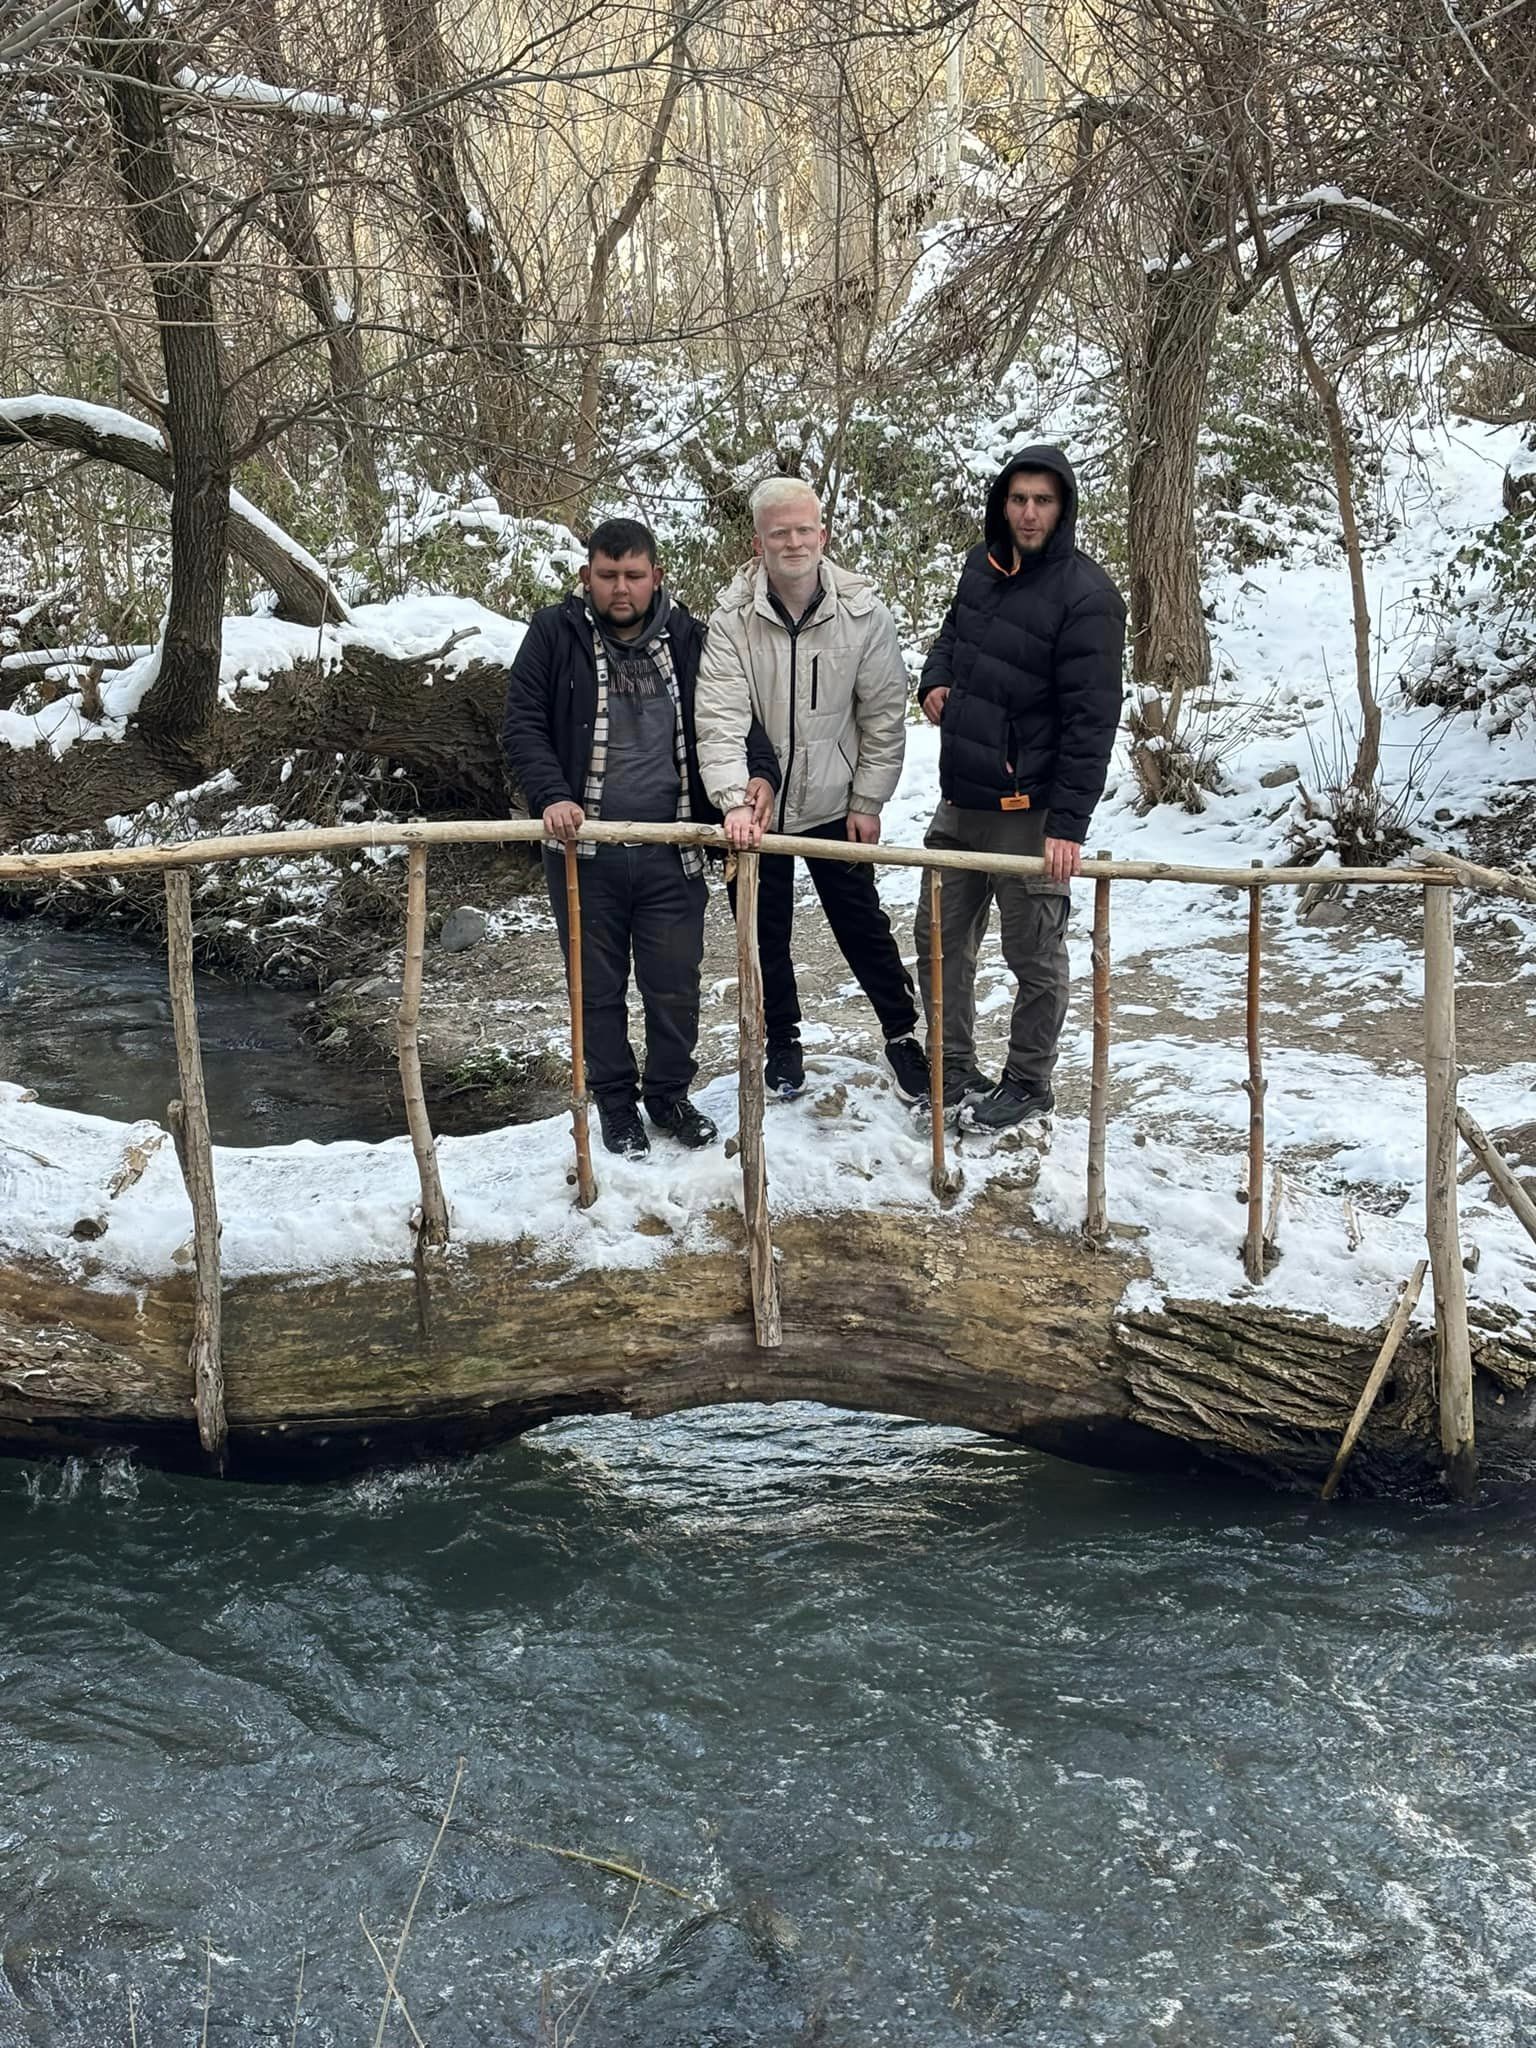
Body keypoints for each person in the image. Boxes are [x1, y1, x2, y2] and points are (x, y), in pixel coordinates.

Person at [501, 517, 779, 1159]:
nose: (620, 589)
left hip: (672, 850)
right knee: (596, 987)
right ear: (586, 578)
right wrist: (553, 794)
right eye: (607, 576)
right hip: (583, 854)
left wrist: (759, 778)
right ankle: (617, 1105)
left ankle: (668, 1096)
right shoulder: (554, 634)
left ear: (656, 576)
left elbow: (731, 720)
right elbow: (522, 726)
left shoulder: (690, 640)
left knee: (674, 982)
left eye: (632, 576)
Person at [693, 477, 928, 1102]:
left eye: (804, 530)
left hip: (835, 799)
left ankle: (903, 1036)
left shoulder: (863, 615)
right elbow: (720, 719)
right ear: (758, 543)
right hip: (759, 809)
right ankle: (782, 1043)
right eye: (779, 533)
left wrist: (868, 800)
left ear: (823, 534)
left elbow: (883, 712)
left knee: (861, 924)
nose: (793, 543)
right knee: (763, 930)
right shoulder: (731, 622)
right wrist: (734, 801)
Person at [914, 446, 1126, 1130]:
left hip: (1030, 810)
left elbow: (1092, 722)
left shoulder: (1088, 597)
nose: (1028, 513)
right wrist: (935, 680)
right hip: (960, 797)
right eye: (1018, 499)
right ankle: (950, 1066)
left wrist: (1067, 823)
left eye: (1042, 501)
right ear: (1001, 503)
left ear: (1062, 509)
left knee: (1033, 953)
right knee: (938, 941)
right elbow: (953, 633)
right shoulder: (982, 565)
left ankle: (1029, 1080)